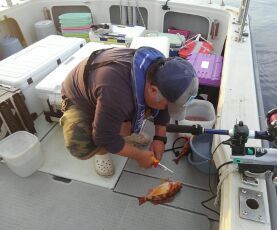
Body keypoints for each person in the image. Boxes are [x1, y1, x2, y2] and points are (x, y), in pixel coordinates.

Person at [60, 46, 198, 177]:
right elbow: (103, 136)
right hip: (80, 100)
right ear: (153, 90)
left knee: (148, 108)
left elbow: (164, 105)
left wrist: (160, 139)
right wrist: (138, 156)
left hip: (109, 99)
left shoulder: (161, 69)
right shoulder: (117, 93)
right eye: (168, 106)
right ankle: (101, 152)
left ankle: (120, 133)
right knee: (81, 145)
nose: (167, 110)